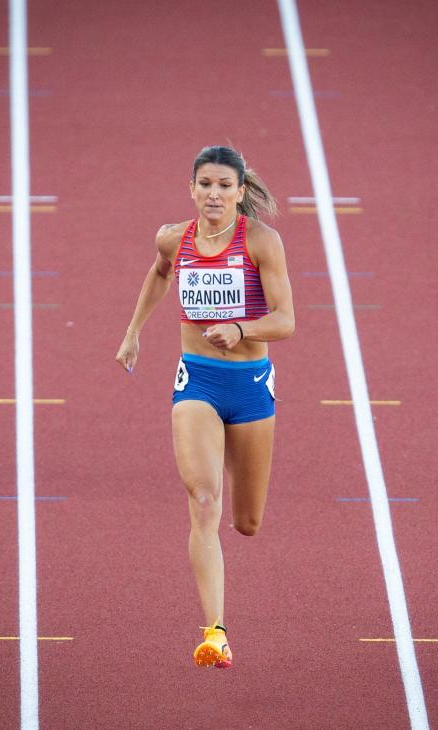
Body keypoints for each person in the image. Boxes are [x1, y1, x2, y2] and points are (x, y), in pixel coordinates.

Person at [115, 146, 295, 667]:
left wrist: (241, 329)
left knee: (247, 522)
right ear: (191, 189)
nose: (213, 194)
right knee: (203, 500)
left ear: (240, 191)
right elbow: (159, 273)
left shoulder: (261, 242)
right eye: (205, 184)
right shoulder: (174, 237)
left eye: (224, 185)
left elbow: (286, 320)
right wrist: (133, 334)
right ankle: (215, 631)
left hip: (251, 383)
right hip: (197, 381)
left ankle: (231, 560)